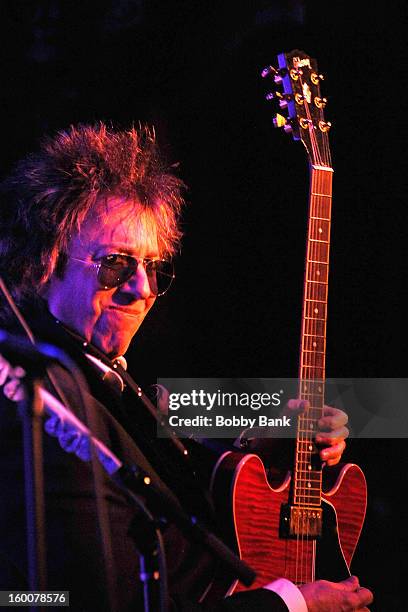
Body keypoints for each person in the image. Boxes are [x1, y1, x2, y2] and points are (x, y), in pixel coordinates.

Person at [0, 123, 373, 611]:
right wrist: (292, 604)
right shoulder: (42, 400)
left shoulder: (98, 372)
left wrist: (266, 437)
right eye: (115, 264)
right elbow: (97, 603)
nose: (144, 289)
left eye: (154, 268)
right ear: (44, 262)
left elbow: (156, 418)